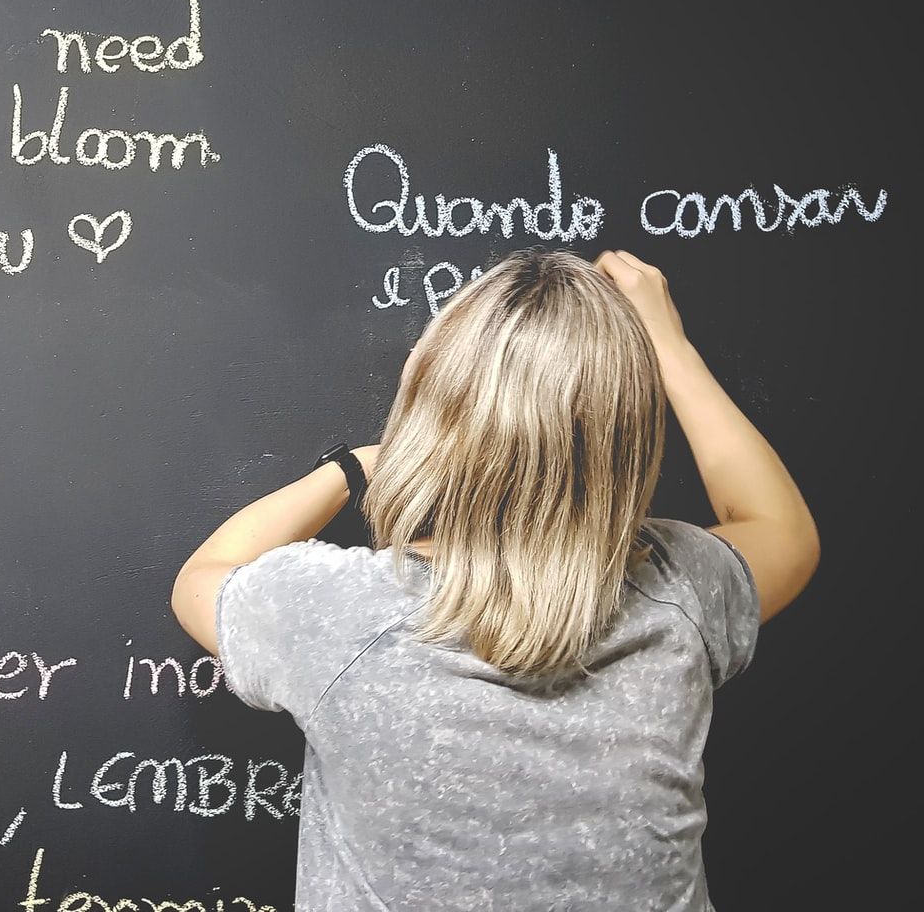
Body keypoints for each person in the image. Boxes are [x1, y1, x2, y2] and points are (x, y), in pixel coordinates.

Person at [170, 247, 819, 911]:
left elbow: (203, 577)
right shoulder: (679, 591)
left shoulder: (343, 613)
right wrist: (668, 344)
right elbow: (780, 528)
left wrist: (352, 470)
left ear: (428, 407)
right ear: (629, 433)